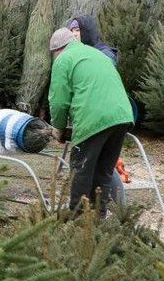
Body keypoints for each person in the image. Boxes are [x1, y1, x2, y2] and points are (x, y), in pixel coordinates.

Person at [48, 26, 136, 214]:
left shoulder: (63, 59)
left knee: (81, 171)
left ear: (57, 50)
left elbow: (58, 101)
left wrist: (59, 128)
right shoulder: (95, 54)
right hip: (122, 116)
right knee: (103, 173)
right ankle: (98, 220)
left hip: (94, 120)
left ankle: (78, 222)